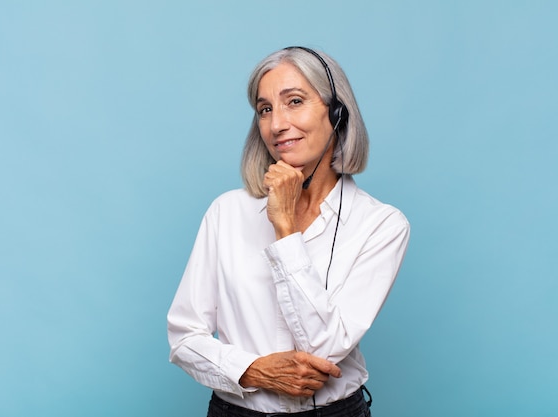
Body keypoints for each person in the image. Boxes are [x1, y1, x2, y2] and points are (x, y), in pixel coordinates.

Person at [167, 46, 410, 417]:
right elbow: (184, 338)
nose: (276, 124)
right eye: (265, 109)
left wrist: (284, 228)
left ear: (337, 113)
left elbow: (322, 351)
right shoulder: (226, 212)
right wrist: (253, 370)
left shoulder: (382, 225)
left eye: (294, 101)